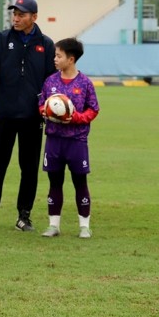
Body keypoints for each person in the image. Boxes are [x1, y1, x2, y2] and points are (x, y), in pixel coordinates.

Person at [0, 0, 56, 231]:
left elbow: (51, 79)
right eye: (15, 14)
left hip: (32, 116)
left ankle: (24, 215)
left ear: (34, 17)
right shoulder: (2, 38)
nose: (16, 18)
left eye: (21, 14)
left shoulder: (46, 43)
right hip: (4, 112)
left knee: (29, 168)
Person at [38, 38, 99, 239]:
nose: (54, 59)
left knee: (80, 182)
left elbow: (94, 109)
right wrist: (46, 112)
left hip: (77, 141)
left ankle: (84, 226)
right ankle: (53, 225)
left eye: (58, 56)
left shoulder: (85, 83)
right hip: (54, 140)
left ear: (71, 59)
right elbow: (41, 104)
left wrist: (76, 118)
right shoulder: (50, 81)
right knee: (54, 183)